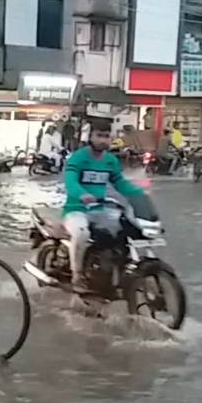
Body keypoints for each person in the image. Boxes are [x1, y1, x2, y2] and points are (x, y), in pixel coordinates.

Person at [62, 118, 146, 295]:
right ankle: (77, 275)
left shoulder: (110, 161)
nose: (103, 140)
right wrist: (82, 194)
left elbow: (120, 183)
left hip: (100, 209)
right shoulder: (78, 158)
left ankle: (113, 273)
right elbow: (70, 181)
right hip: (76, 210)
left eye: (107, 136)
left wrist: (138, 194)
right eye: (99, 136)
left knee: (125, 229)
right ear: (90, 136)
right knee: (81, 233)